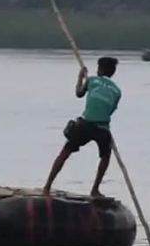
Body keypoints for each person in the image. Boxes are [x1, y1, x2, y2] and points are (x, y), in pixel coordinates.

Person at [45, 55, 123, 201]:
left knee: (65, 152)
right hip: (102, 126)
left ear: (99, 69)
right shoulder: (117, 91)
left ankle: (47, 186)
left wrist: (80, 77)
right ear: (113, 72)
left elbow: (79, 93)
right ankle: (95, 189)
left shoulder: (92, 80)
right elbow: (110, 110)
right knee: (105, 157)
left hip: (86, 123)